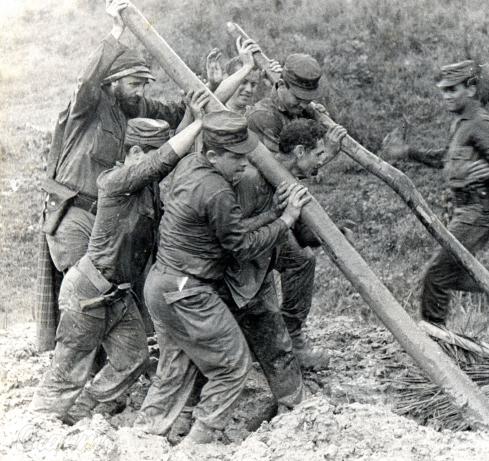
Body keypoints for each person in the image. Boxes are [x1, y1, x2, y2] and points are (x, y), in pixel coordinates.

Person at [31, 90, 209, 425]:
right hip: (89, 292)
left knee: (134, 358)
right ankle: (40, 425)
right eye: (152, 154)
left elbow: (163, 159)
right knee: (68, 367)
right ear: (136, 151)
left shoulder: (146, 190)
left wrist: (201, 111)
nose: (158, 164)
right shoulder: (114, 182)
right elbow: (163, 160)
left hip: (118, 295)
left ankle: (85, 407)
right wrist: (198, 124)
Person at [134, 111, 311, 444]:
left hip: (162, 284)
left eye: (246, 156)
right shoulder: (217, 190)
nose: (243, 165)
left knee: (176, 365)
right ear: (213, 154)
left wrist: (273, 212)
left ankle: (143, 436)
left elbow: (229, 229)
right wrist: (286, 220)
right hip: (189, 291)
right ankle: (197, 444)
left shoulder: (191, 167)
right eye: (236, 158)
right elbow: (241, 247)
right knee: (232, 365)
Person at [382, 60, 489, 326]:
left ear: (471, 89)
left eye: (453, 89)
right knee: (453, 273)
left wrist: (487, 173)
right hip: (467, 210)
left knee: (436, 275)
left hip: (481, 211)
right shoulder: (460, 124)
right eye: (444, 90)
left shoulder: (480, 123)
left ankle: (435, 339)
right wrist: (407, 152)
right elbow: (445, 158)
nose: (447, 96)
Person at [245, 54, 347, 368]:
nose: (301, 104)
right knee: (265, 280)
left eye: (308, 99)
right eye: (297, 96)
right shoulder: (263, 117)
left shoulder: (300, 110)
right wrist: (326, 156)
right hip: (255, 209)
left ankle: (290, 334)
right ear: (280, 85)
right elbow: (279, 172)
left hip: (278, 206)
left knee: (301, 261)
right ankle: (278, 344)